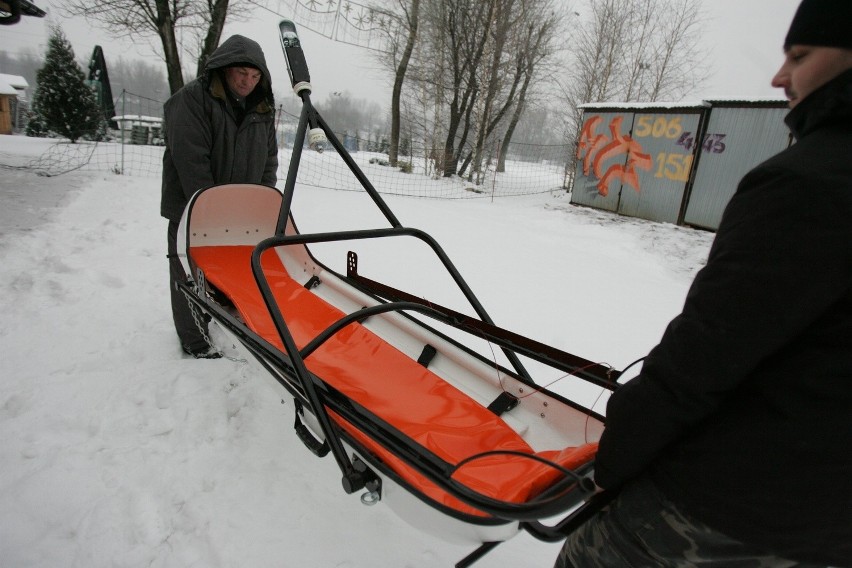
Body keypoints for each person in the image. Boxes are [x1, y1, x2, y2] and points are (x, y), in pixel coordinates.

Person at [555, 0, 852, 566]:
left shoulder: (809, 184)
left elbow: (702, 358)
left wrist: (616, 459)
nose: (778, 76)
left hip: (723, 509)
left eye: (800, 54)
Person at [160, 35, 278, 358]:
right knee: (189, 270)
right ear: (224, 68)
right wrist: (210, 211)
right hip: (192, 208)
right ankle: (196, 342)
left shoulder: (262, 108)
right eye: (241, 72)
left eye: (255, 77)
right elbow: (191, 161)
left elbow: (269, 162)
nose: (247, 81)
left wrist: (262, 206)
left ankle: (230, 323)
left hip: (237, 216)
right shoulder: (193, 100)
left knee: (233, 271)